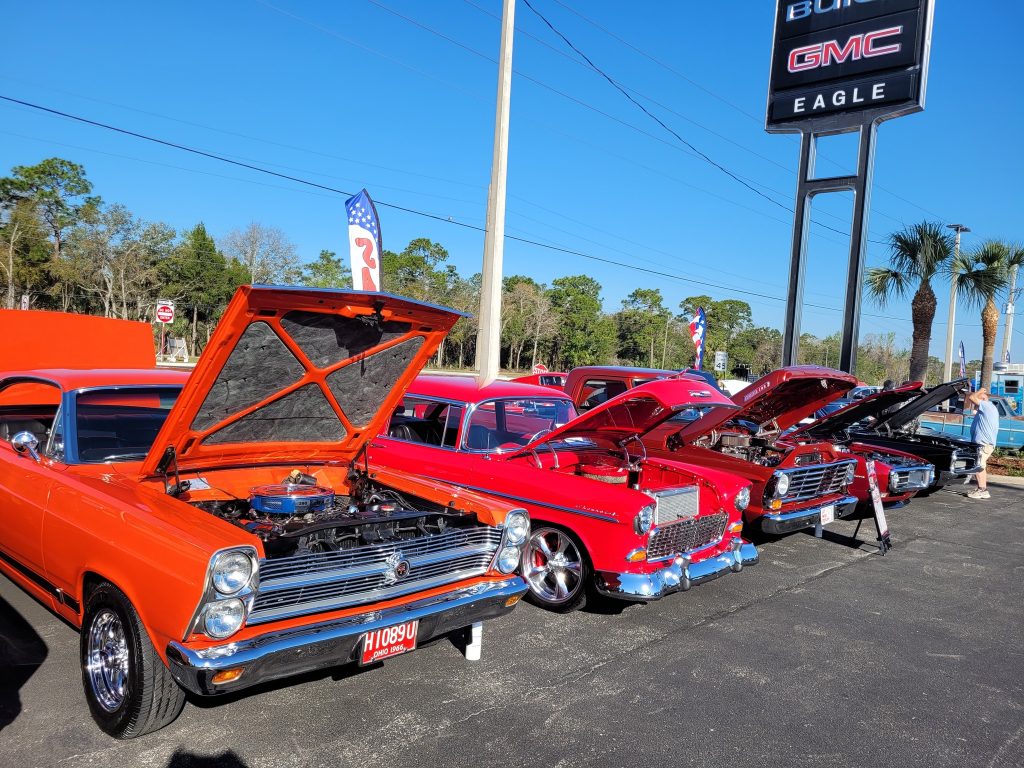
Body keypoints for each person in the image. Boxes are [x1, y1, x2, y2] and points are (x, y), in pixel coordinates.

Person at [966, 388, 999, 500]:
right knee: (981, 465)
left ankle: (982, 490)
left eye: (976, 404)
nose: (974, 406)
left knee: (978, 465)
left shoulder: (987, 406)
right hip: (983, 443)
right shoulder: (986, 409)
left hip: (984, 444)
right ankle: (982, 489)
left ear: (983, 400)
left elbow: (972, 397)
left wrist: (980, 391)